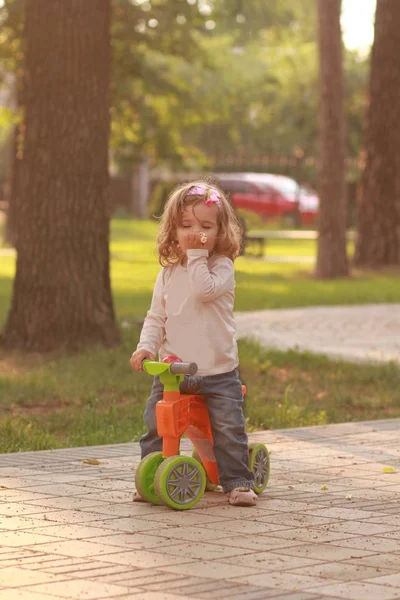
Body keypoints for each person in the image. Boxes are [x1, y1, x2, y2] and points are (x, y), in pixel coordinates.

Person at [130, 180, 257, 506]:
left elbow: (204, 290)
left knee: (228, 429)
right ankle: (151, 476)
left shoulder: (222, 267)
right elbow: (156, 316)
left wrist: (198, 255)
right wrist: (146, 347)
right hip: (175, 370)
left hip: (218, 370)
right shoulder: (169, 273)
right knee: (156, 425)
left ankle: (238, 481)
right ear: (173, 229)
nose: (195, 232)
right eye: (186, 225)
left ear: (220, 231)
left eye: (205, 226)